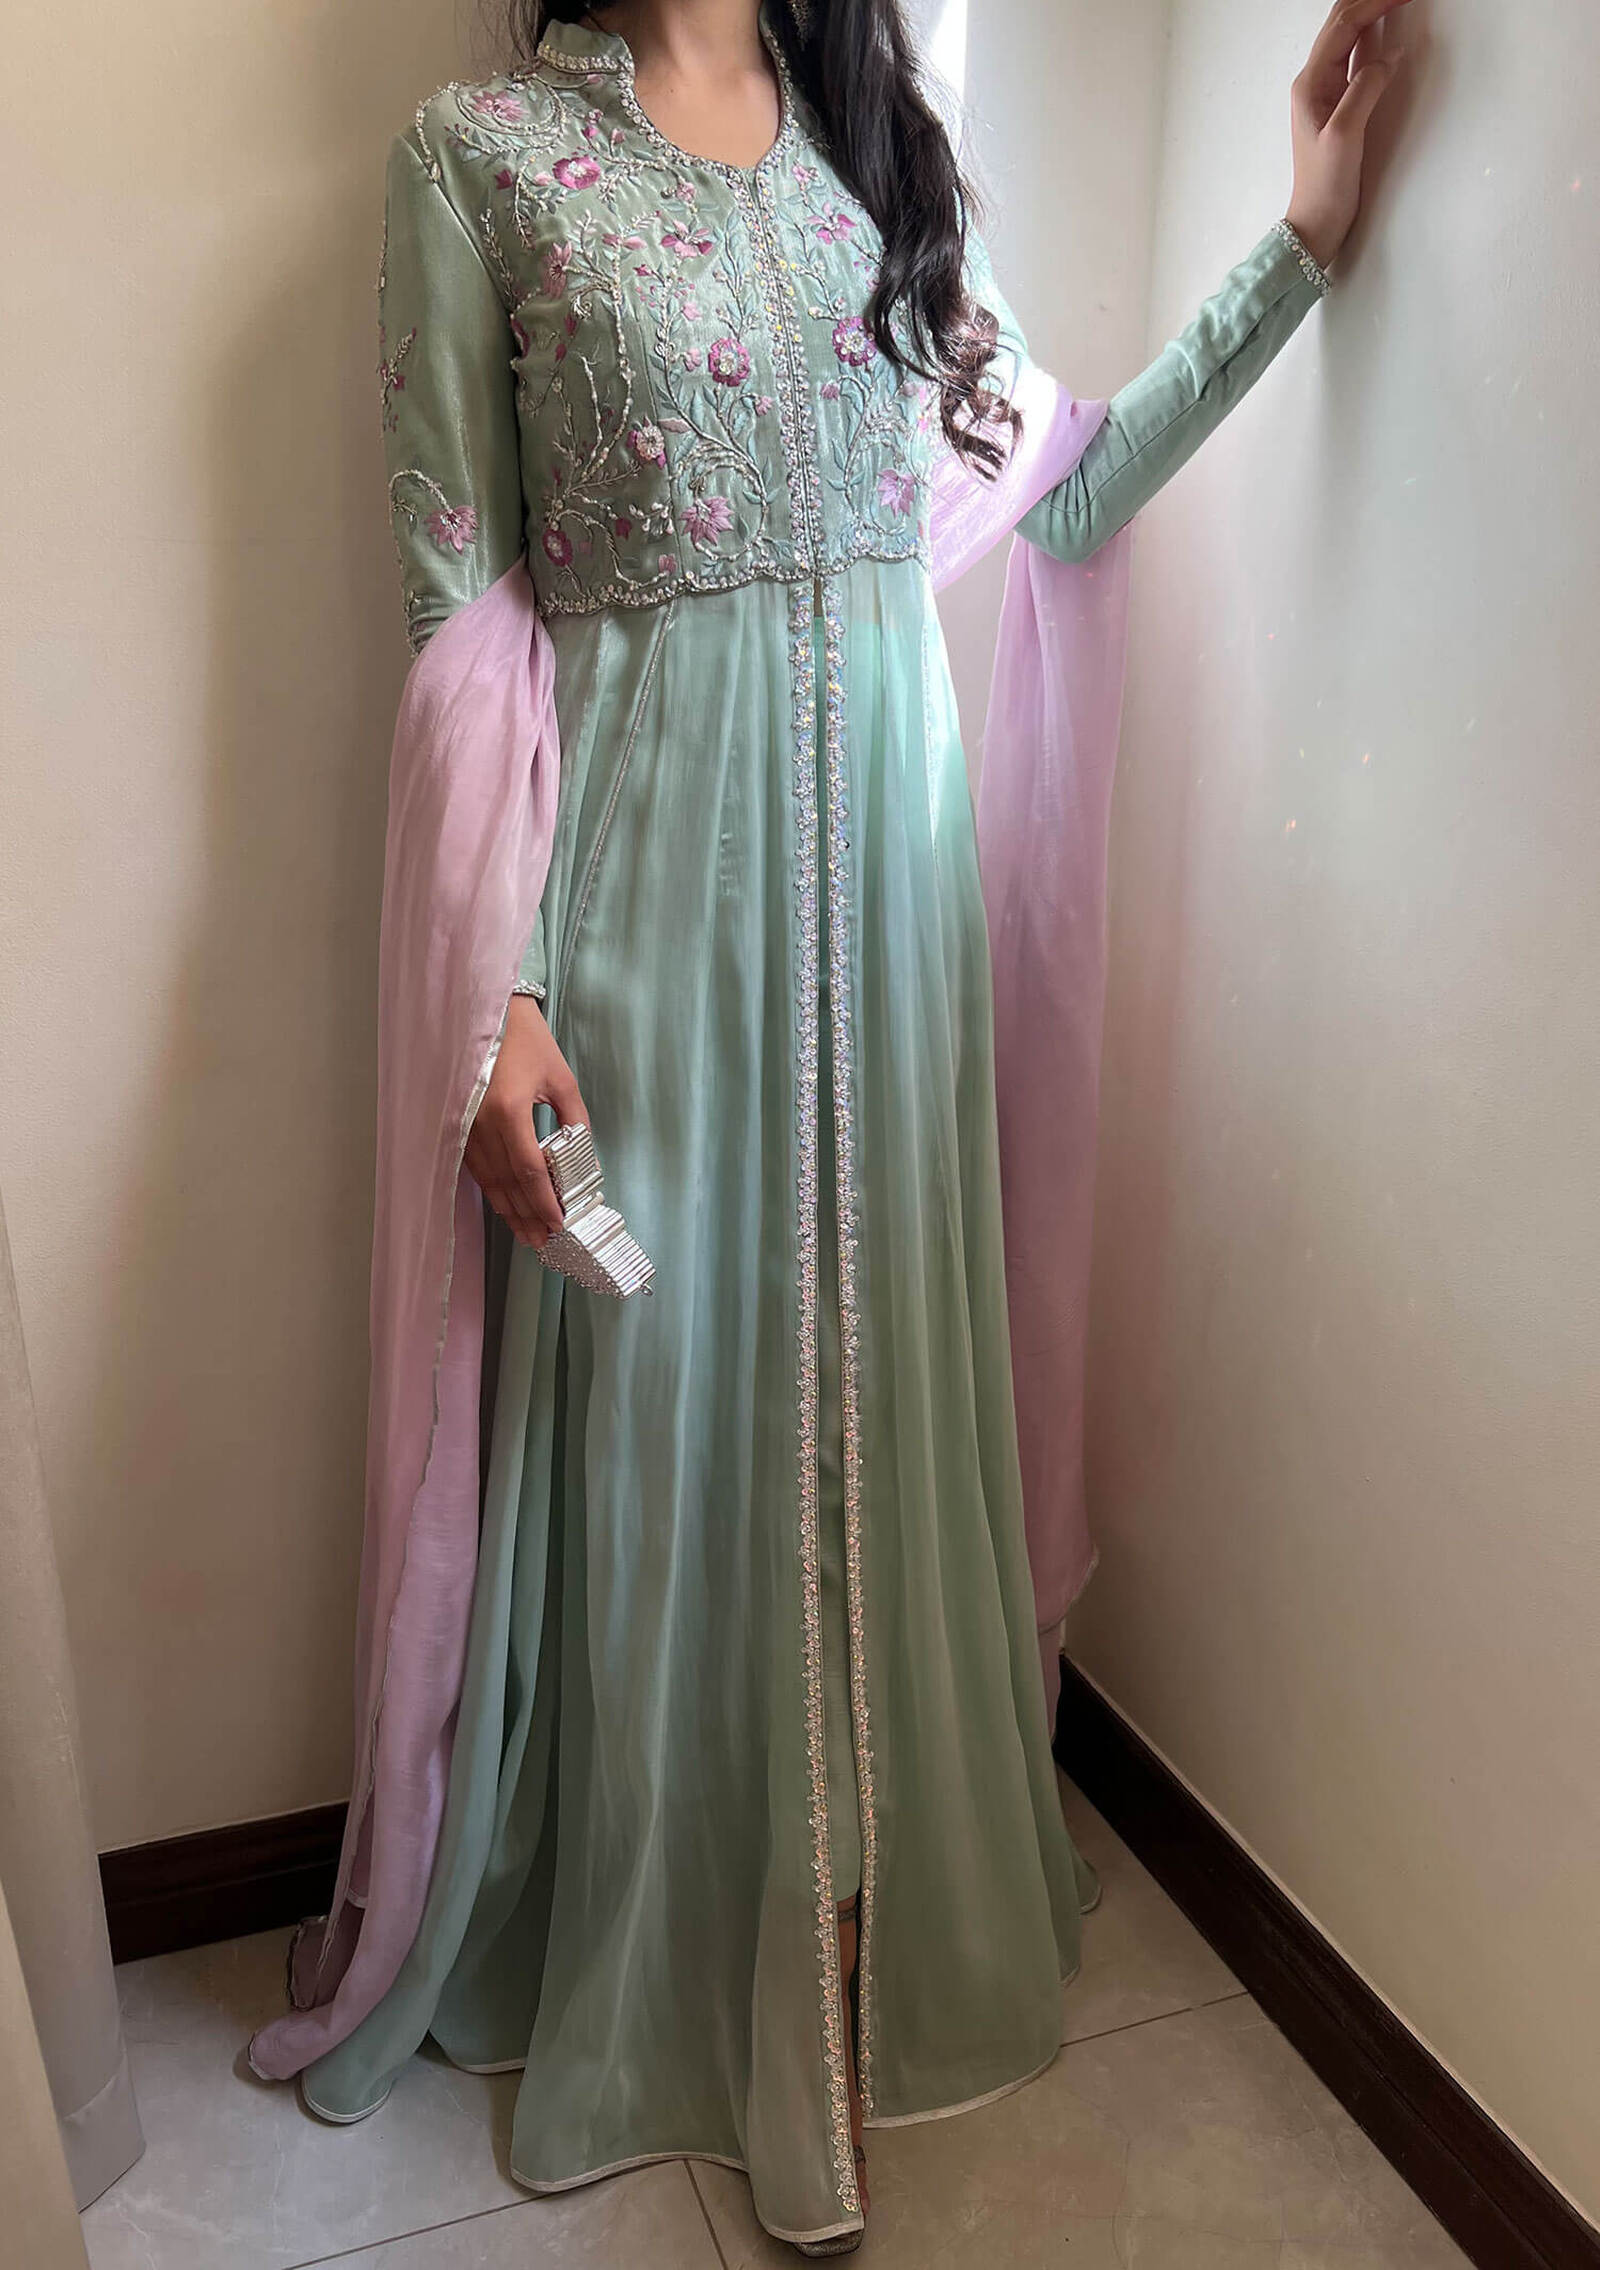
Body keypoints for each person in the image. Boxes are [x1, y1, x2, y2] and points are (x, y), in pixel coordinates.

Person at [253, 0, 1406, 2253]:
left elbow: (1069, 479)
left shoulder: (877, 149)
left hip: (889, 915)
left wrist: (1302, 241)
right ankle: (693, 1954)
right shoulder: (474, 161)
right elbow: (455, 630)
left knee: (870, 1386)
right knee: (668, 1406)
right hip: (640, 925)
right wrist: (497, 1003)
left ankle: (864, 1905)